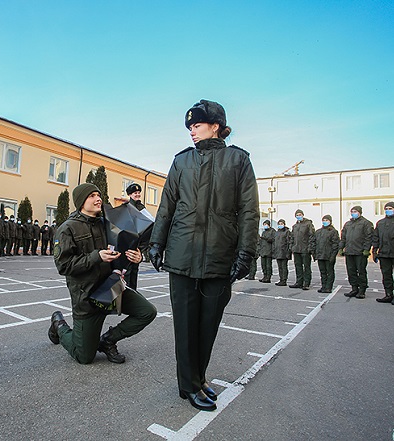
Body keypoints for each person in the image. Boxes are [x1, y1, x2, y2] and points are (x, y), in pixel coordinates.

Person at [148, 99, 259, 411]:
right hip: (183, 254)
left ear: (216, 125)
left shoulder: (238, 160)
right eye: (189, 127)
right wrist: (156, 243)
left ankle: (199, 377)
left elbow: (249, 211)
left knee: (208, 324)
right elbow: (167, 205)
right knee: (184, 325)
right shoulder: (182, 162)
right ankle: (189, 386)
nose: (192, 132)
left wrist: (246, 252)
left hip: (219, 255)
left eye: (196, 125)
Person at [49, 183, 157, 365]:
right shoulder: (68, 228)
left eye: (98, 195)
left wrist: (135, 256)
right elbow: (64, 265)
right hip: (87, 296)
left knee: (147, 312)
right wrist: (96, 256)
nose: (98, 199)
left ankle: (108, 340)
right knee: (84, 357)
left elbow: (123, 247)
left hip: (112, 288)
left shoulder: (108, 222)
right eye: (91, 196)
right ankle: (58, 325)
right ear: (81, 201)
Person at [121, 182, 154, 289]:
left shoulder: (142, 208)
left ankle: (132, 297)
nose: (137, 194)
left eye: (139, 192)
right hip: (126, 247)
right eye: (135, 193)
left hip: (137, 247)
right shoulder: (125, 207)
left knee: (133, 276)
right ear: (130, 195)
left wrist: (142, 248)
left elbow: (151, 226)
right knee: (125, 276)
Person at [340, 206, 374, 299]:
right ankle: (354, 288)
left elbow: (369, 237)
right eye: (352, 211)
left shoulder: (366, 223)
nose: (353, 213)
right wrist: (341, 248)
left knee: (361, 271)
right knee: (351, 271)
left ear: (360, 212)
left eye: (355, 211)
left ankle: (362, 290)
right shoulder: (348, 224)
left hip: (360, 252)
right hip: (349, 252)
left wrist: (366, 249)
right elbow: (343, 237)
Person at [289, 209, 315, 290]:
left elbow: (312, 236)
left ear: (303, 215)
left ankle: (306, 283)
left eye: (300, 214)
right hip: (296, 249)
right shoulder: (295, 226)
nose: (298, 216)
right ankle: (299, 282)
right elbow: (292, 237)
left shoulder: (308, 224)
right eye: (297, 215)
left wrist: (310, 247)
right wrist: (291, 247)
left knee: (306, 267)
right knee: (298, 266)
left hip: (305, 249)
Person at [373, 202, 394, 304]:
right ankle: (388, 294)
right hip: (384, 253)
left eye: (390, 208)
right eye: (386, 208)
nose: (388, 210)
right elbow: (375, 238)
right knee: (386, 275)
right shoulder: (380, 223)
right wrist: (374, 251)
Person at [313, 214, 339, 293]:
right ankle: (323, 286)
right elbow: (314, 243)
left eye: (326, 220)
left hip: (329, 255)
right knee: (322, 272)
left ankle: (329, 287)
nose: (325, 222)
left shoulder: (333, 232)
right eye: (323, 220)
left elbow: (335, 244)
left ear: (330, 221)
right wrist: (314, 254)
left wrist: (333, 255)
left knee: (329, 272)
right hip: (320, 255)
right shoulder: (318, 232)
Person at [273, 219, 292, 286]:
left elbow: (289, 242)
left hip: (284, 252)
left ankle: (284, 280)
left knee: (284, 267)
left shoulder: (287, 232)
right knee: (280, 267)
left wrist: (288, 252)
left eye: (282, 223)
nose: (280, 225)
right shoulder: (277, 232)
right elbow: (274, 242)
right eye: (279, 223)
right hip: (278, 252)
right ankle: (281, 279)